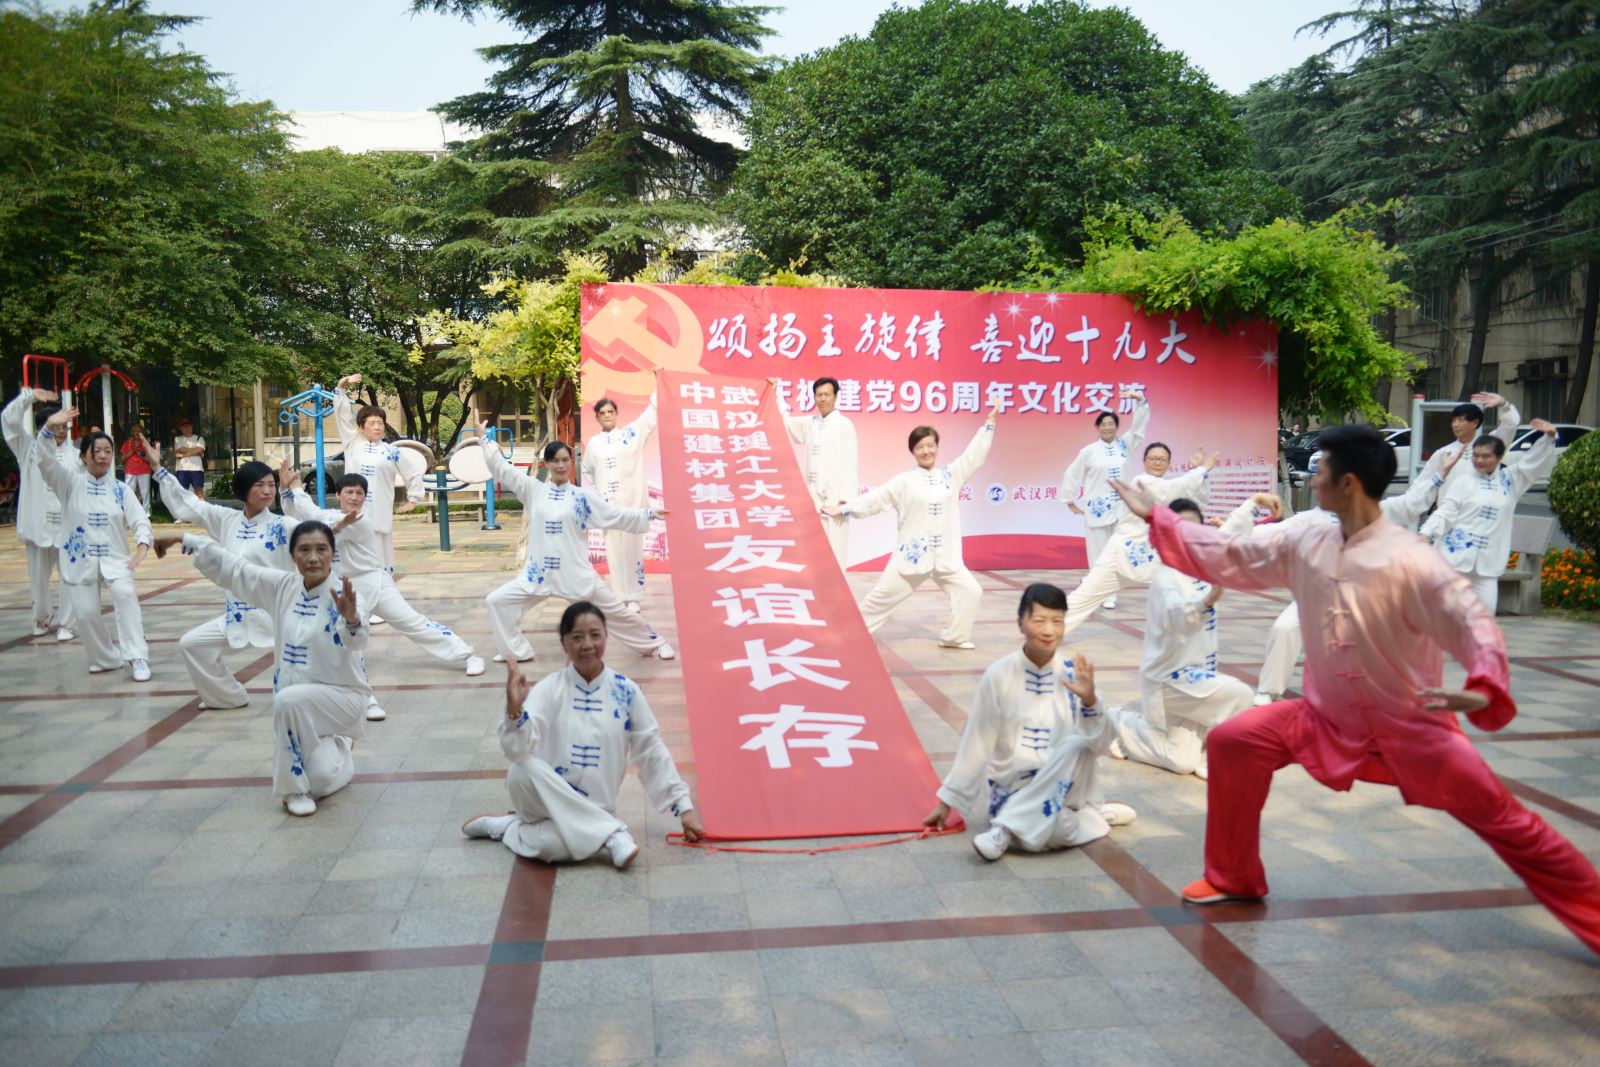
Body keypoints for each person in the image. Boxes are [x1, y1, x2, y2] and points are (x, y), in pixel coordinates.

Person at [1110, 426, 1600, 955]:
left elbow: (1469, 620)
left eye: (1319, 471)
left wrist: (1483, 681)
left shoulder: (1409, 556)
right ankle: (1235, 877)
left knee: (1510, 823)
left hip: (1414, 728)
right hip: (1324, 717)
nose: (1311, 477)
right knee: (1235, 743)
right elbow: (1231, 552)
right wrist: (1155, 516)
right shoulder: (1305, 538)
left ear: (1346, 483)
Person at [462, 601, 705, 866]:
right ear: (564, 643)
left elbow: (652, 751)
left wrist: (684, 808)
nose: (587, 644)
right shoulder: (550, 688)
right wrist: (514, 711)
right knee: (521, 770)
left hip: (597, 807)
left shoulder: (626, 691)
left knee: (551, 845)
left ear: (606, 638)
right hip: (545, 802)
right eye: (577, 637)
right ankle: (612, 834)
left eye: (595, 635)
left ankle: (509, 827)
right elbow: (516, 750)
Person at [156, 522, 368, 817]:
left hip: (341, 699)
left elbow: (357, 640)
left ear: (332, 553)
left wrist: (353, 618)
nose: (313, 558)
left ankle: (292, 789)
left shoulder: (346, 594)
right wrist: (181, 537)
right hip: (298, 711)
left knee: (287, 699)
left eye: (322, 549)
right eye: (303, 550)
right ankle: (340, 748)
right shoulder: (282, 587)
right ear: (293, 555)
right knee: (319, 782)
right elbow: (235, 568)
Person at [923, 583, 1136, 862]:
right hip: (1014, 791)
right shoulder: (999, 675)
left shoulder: (1074, 674)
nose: (1049, 630)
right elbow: (977, 741)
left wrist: (1090, 701)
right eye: (1039, 621)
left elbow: (1098, 746)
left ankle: (1006, 830)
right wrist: (947, 803)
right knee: (1046, 834)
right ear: (1020, 623)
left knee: (1074, 745)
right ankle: (1094, 818)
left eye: (1057, 621)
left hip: (1068, 789)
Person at [1253, 447, 1463, 705]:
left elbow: (1412, 502)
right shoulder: (1311, 519)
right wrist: (1230, 527)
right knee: (1284, 628)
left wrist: (1438, 475)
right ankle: (1269, 690)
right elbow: (1269, 534)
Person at [279, 463, 485, 720]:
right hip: (344, 589)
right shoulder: (329, 516)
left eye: (359, 494)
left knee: (413, 622)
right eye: (349, 493)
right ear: (339, 494)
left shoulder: (362, 520)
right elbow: (298, 513)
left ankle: (467, 654)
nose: (354, 498)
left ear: (365, 498)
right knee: (347, 642)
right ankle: (366, 699)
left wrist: (298, 487)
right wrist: (286, 488)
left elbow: (317, 518)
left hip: (374, 582)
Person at [476, 426, 677, 663]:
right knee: (496, 601)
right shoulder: (533, 490)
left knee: (617, 612)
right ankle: (515, 650)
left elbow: (616, 515)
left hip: (576, 575)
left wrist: (648, 514)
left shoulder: (582, 498)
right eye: (555, 461)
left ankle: (656, 643)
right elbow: (503, 470)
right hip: (537, 574)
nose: (561, 466)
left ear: (572, 462)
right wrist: (485, 441)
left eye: (565, 460)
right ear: (546, 465)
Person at [1109, 495, 1265, 780]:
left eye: (1196, 531)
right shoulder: (1166, 576)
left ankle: (1116, 723)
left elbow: (1230, 535)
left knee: (1181, 760)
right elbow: (1177, 617)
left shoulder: (1205, 560)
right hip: (1170, 680)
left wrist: (1254, 502)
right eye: (1182, 531)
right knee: (1241, 695)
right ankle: (1216, 755)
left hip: (1195, 680)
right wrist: (1206, 601)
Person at [823, 405, 999, 649]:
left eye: (930, 445)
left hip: (946, 558)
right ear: (913, 451)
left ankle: (954, 637)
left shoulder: (952, 475)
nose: (926, 451)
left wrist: (988, 426)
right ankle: (849, 636)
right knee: (879, 599)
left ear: (936, 447)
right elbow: (877, 499)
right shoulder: (905, 481)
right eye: (920, 447)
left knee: (971, 592)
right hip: (911, 557)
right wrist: (845, 508)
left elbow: (974, 456)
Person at [152, 448, 299, 709]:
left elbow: (317, 535)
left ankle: (363, 700)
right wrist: (159, 470)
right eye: (260, 485)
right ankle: (228, 696)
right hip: (238, 615)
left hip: (279, 614)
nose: (268, 491)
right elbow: (190, 505)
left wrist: (294, 494)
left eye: (271, 485)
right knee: (192, 645)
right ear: (243, 490)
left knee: (304, 674)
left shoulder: (283, 526)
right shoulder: (227, 520)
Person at [36, 408, 153, 680]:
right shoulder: (68, 482)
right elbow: (43, 461)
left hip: (117, 560)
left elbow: (140, 521)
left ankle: (138, 657)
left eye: (107, 451)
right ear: (84, 455)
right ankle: (106, 658)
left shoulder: (121, 490)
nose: (102, 456)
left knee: (126, 598)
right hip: (79, 561)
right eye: (96, 451)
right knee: (86, 614)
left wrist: (142, 547)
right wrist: (47, 430)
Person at [1058, 443, 1219, 637]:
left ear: (1168, 463)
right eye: (1153, 458)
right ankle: (1048, 630)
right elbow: (1170, 489)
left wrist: (1199, 472)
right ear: (1144, 462)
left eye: (1162, 459)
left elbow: (1199, 499)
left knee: (1185, 590)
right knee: (1084, 597)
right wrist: (1201, 469)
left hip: (1152, 557)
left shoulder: (1169, 487)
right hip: (1122, 552)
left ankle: (1185, 639)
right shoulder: (1141, 481)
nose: (1157, 462)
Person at [1420, 419, 1558, 614]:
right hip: (1455, 561)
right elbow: (1446, 511)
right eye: (1475, 455)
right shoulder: (1463, 482)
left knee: (1484, 621)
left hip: (1488, 564)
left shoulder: (1510, 481)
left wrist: (1548, 437)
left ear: (1499, 457)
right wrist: (1426, 533)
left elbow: (1532, 463)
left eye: (1486, 456)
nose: (1479, 460)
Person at [1059, 388, 1149, 609]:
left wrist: (1141, 403)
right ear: (1098, 428)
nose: (1107, 427)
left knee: (1117, 552)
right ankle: (1101, 593)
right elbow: (1072, 473)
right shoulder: (1089, 451)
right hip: (1096, 509)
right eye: (1103, 424)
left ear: (1116, 427)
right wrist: (1070, 500)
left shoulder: (1125, 446)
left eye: (1111, 424)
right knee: (1098, 553)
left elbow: (1138, 430)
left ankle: (1109, 591)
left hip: (1121, 509)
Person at [332, 374, 422, 592]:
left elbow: (412, 472)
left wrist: (414, 498)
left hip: (380, 517)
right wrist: (341, 389)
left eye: (380, 423)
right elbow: (343, 417)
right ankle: (353, 602)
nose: (377, 427)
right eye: (371, 423)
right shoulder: (353, 444)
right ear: (361, 427)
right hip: (353, 516)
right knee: (352, 561)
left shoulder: (391, 451)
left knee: (379, 562)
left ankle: (380, 602)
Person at [2, 387, 78, 640]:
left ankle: (68, 623)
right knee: (38, 580)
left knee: (71, 577)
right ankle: (41, 619)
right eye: (54, 424)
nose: (60, 429)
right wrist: (29, 397)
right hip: (37, 526)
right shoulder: (28, 449)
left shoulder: (76, 456)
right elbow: (9, 422)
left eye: (62, 424)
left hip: (67, 527)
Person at [580, 391, 658, 611]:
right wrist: (601, 491)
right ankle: (620, 596)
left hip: (631, 504)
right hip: (609, 506)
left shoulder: (630, 434)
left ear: (616, 414)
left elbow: (649, 416)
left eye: (610, 412)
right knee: (613, 551)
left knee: (632, 549)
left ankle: (634, 596)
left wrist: (659, 388)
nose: (606, 415)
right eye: (602, 412)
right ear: (596, 417)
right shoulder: (594, 444)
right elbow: (587, 469)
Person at [778, 376, 858, 570]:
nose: (823, 399)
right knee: (814, 555)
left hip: (836, 502)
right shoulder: (810, 423)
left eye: (827, 394)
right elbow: (786, 425)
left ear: (835, 396)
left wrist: (846, 500)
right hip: (813, 500)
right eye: (819, 395)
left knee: (836, 554)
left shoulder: (844, 424)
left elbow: (851, 462)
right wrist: (776, 393)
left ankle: (837, 598)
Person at [1416, 392, 1520, 501]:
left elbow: (1510, 426)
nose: (1455, 425)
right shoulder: (1444, 453)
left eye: (1461, 420)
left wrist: (1504, 405)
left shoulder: (1490, 445)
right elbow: (1421, 484)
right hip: (1449, 514)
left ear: (1475, 423)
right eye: (1453, 420)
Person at [172, 417, 207, 501]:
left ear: (192, 427)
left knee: (199, 492)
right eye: (184, 426)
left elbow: (200, 449)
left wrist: (184, 455)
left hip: (197, 469)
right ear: (180, 429)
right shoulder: (177, 439)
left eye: (188, 426)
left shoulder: (199, 438)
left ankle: (202, 511)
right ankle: (184, 512)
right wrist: (196, 451)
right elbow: (179, 450)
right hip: (182, 469)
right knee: (182, 493)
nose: (186, 428)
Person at [119, 425, 153, 508]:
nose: (137, 433)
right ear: (132, 432)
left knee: (145, 493)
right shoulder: (127, 443)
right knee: (129, 491)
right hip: (130, 471)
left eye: (139, 431)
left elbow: (151, 459)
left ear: (143, 432)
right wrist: (133, 450)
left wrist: (141, 455)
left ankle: (146, 513)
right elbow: (122, 459)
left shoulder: (146, 443)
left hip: (144, 470)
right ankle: (128, 511)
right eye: (135, 431)